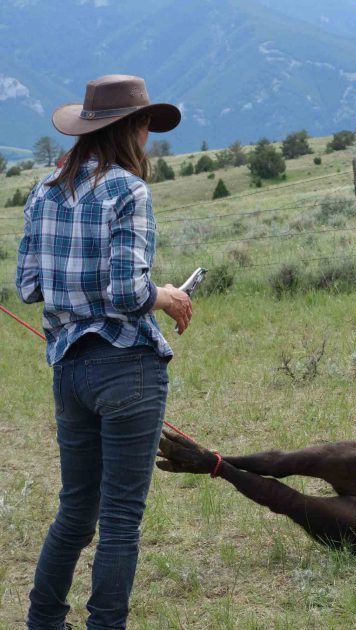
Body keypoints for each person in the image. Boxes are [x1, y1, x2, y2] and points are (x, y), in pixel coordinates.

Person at [16, 75, 192, 628]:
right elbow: (127, 294)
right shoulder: (128, 190)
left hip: (68, 367)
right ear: (131, 129)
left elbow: (28, 286)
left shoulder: (43, 189)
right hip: (127, 369)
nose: (147, 137)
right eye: (145, 126)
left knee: (75, 512)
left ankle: (43, 621)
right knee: (120, 520)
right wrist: (166, 294)